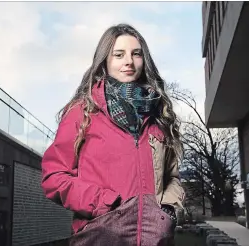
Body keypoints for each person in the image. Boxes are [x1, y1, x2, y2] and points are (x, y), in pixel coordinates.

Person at [40, 23, 185, 246]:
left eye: (136, 54)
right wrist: (103, 203)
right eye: (119, 55)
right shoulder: (83, 112)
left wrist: (167, 211)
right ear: (105, 61)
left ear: (143, 60)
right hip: (99, 238)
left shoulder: (159, 116)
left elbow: (172, 178)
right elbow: (54, 177)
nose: (128, 61)